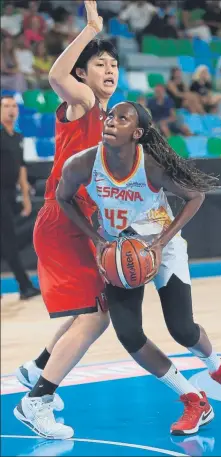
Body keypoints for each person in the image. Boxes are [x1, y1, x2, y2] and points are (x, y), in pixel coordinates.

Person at [14, 102, 221, 439]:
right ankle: (193, 399)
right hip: (120, 253)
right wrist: (97, 240)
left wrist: (160, 241)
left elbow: (196, 196)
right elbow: (62, 198)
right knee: (128, 334)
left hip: (161, 248)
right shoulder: (83, 163)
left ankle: (218, 368)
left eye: (121, 118)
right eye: (109, 116)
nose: (111, 121)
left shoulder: (152, 167)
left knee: (182, 330)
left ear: (137, 133)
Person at [15, 0, 118, 437]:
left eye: (114, 63)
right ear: (83, 73)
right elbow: (56, 76)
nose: (110, 68)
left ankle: (36, 369)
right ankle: (36, 400)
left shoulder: (111, 116)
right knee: (96, 317)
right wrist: (89, 28)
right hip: (61, 223)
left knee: (91, 312)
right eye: (99, 62)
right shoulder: (83, 100)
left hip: (78, 225)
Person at [0, 95, 40, 300]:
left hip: (8, 194)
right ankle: (24, 286)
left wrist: (25, 197)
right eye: (6, 106)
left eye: (14, 105)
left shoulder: (17, 136)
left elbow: (21, 169)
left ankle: (24, 285)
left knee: (7, 240)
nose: (11, 109)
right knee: (9, 240)